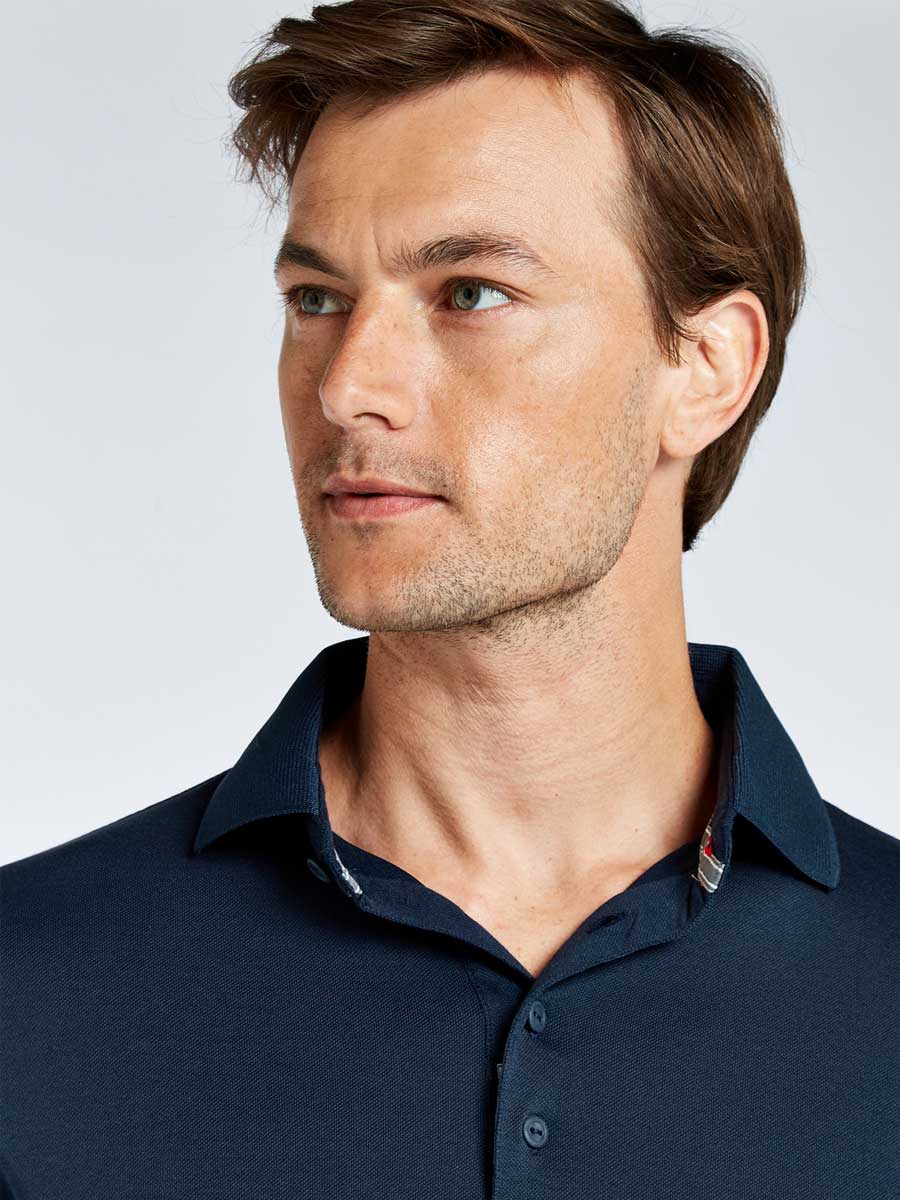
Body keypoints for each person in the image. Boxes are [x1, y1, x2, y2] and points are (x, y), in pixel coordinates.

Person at [3, 1, 899, 1196]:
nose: (347, 389)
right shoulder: (29, 991)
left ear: (704, 369)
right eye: (316, 298)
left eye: (470, 292)